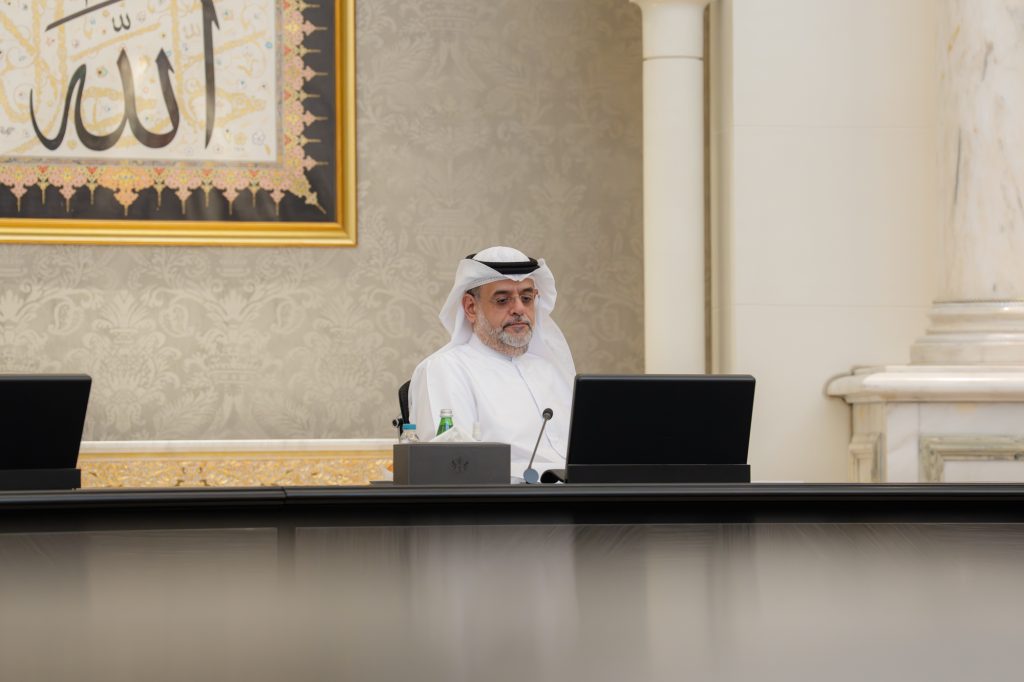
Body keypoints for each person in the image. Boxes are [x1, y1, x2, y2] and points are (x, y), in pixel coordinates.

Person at [409, 246, 576, 478]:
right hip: (508, 498)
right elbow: (456, 469)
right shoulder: (445, 370)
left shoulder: (551, 369)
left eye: (527, 298)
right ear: (471, 307)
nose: (519, 309)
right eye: (502, 300)